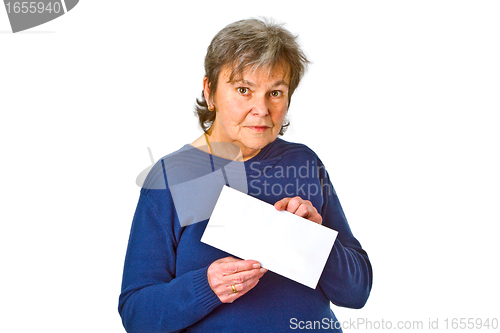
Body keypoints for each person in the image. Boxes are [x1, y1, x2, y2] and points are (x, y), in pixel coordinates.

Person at [118, 18, 373, 333]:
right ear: (210, 91)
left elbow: (357, 291)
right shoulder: (171, 178)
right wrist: (205, 287)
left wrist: (317, 243)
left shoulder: (303, 162)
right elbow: (136, 314)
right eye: (243, 89)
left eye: (275, 93)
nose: (262, 109)